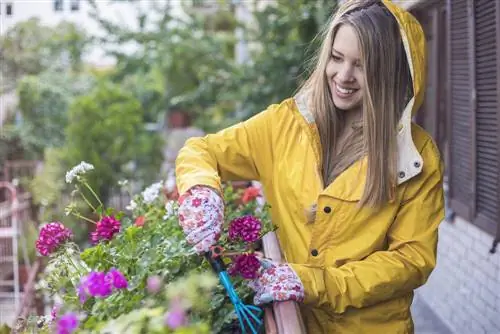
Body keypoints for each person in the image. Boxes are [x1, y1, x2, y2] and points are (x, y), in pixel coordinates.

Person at [175, 0, 445, 332]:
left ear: (388, 72)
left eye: (362, 65)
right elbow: (203, 150)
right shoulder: (284, 125)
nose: (343, 76)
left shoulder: (417, 156)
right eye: (336, 58)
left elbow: (411, 261)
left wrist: (310, 282)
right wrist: (201, 189)